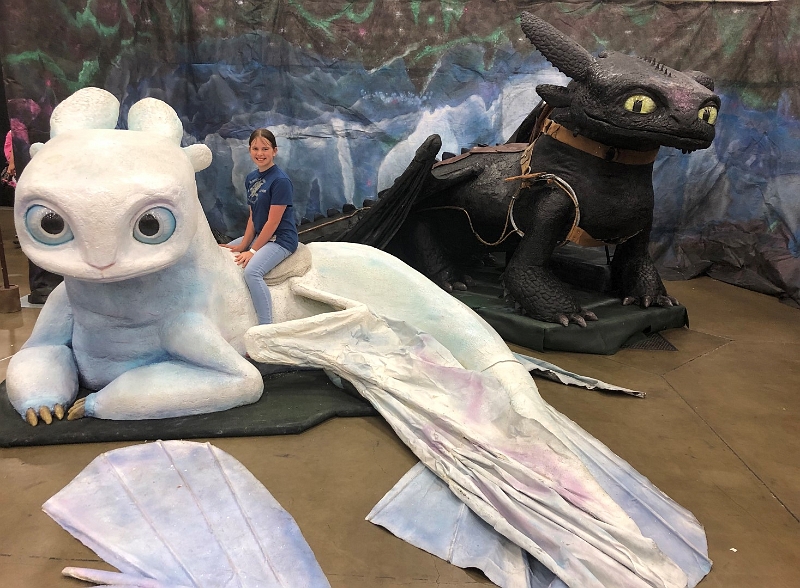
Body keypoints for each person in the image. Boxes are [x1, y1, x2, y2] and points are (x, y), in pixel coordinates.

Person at [222, 128, 298, 324]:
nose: (260, 153)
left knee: (252, 272)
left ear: (274, 151)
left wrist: (252, 250)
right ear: (249, 150)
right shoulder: (251, 178)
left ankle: (266, 328)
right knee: (224, 252)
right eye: (255, 148)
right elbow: (253, 217)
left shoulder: (280, 181)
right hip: (260, 235)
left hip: (280, 239)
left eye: (265, 149)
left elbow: (273, 222)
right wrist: (242, 245)